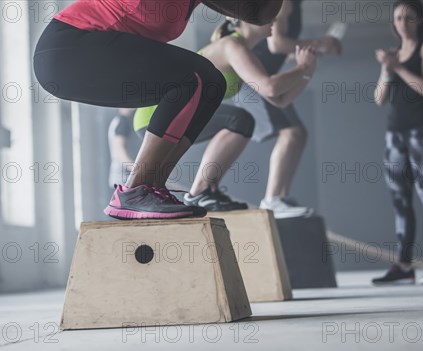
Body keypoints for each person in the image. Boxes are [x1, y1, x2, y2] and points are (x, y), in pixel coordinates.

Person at [33, 0, 283, 219]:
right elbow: (262, 11)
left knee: (210, 84)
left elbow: (260, 12)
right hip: (72, 45)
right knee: (197, 75)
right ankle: (135, 191)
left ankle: (152, 189)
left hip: (89, 51)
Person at [133, 18, 318, 211]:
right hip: (157, 116)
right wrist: (302, 67)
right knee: (239, 120)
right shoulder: (231, 46)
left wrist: (307, 72)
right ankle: (201, 192)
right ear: (244, 20)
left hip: (183, 116)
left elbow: (281, 100)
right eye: (266, 15)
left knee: (241, 121)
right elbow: (270, 87)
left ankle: (203, 191)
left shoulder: (247, 54)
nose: (274, 20)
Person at [230, 0, 342, 218]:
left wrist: (301, 54)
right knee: (291, 134)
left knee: (298, 134)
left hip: (265, 76)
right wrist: (320, 43)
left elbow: (279, 48)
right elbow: (276, 44)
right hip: (254, 77)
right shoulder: (285, 3)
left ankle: (279, 197)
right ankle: (272, 199)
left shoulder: (293, 5)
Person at [372, 0, 423, 285]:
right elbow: (379, 99)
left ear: (419, 20)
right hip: (395, 131)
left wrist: (398, 67)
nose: (403, 22)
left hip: (420, 130)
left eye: (409, 17)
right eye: (398, 17)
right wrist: (386, 69)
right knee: (400, 200)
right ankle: (404, 265)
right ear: (393, 23)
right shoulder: (393, 55)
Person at [108, 108, 135, 188]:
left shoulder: (118, 121)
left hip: (120, 179)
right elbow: (120, 150)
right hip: (124, 180)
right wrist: (136, 170)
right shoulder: (123, 122)